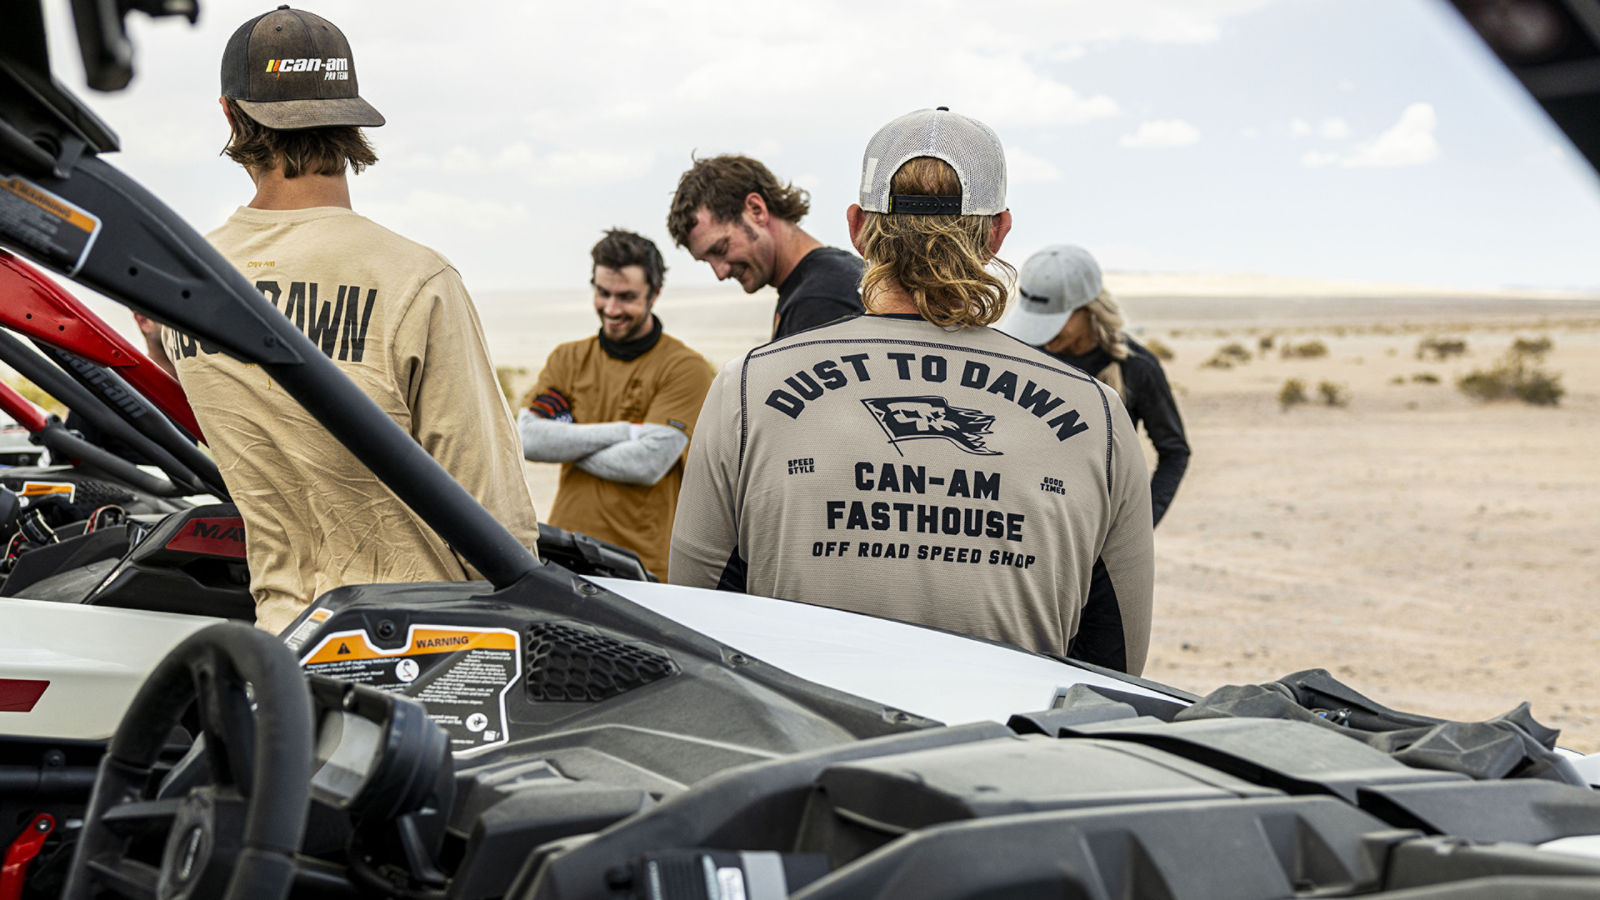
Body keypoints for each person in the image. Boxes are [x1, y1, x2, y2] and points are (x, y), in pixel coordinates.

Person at [670, 108, 1155, 673]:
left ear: (856, 227)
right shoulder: (1098, 415)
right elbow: (1114, 668)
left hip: (801, 753)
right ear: (998, 232)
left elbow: (699, 628)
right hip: (1003, 753)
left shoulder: (745, 389)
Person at [164, 6, 541, 634]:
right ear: (350, 116)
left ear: (230, 114)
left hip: (283, 643)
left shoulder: (186, 282)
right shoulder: (416, 279)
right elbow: (494, 510)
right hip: (419, 649)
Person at [519, 230, 714, 580]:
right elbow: (529, 440)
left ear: (655, 293)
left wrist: (565, 444)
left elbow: (647, 464)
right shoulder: (567, 359)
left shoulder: (685, 369)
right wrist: (625, 432)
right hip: (564, 555)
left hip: (643, 567)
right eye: (602, 292)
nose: (611, 308)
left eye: (626, 297)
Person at [998, 246, 1190, 526]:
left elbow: (1174, 451)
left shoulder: (1136, 368)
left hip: (1100, 542)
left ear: (1088, 310)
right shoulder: (1024, 357)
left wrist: (1137, 528)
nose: (1043, 335)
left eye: (1055, 322)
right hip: (1031, 535)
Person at [667, 155, 865, 340]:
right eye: (706, 261)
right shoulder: (831, 279)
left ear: (756, 210)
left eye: (720, 249)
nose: (720, 272)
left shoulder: (819, 300)